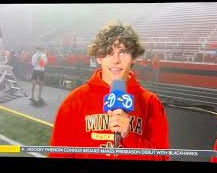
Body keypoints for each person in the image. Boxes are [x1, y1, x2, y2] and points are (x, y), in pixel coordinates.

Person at [49, 21, 169, 160]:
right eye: (108, 53)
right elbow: (59, 154)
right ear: (99, 57)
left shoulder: (151, 103)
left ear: (133, 58)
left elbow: (161, 158)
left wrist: (130, 137)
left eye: (123, 52)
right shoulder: (74, 101)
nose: (116, 60)